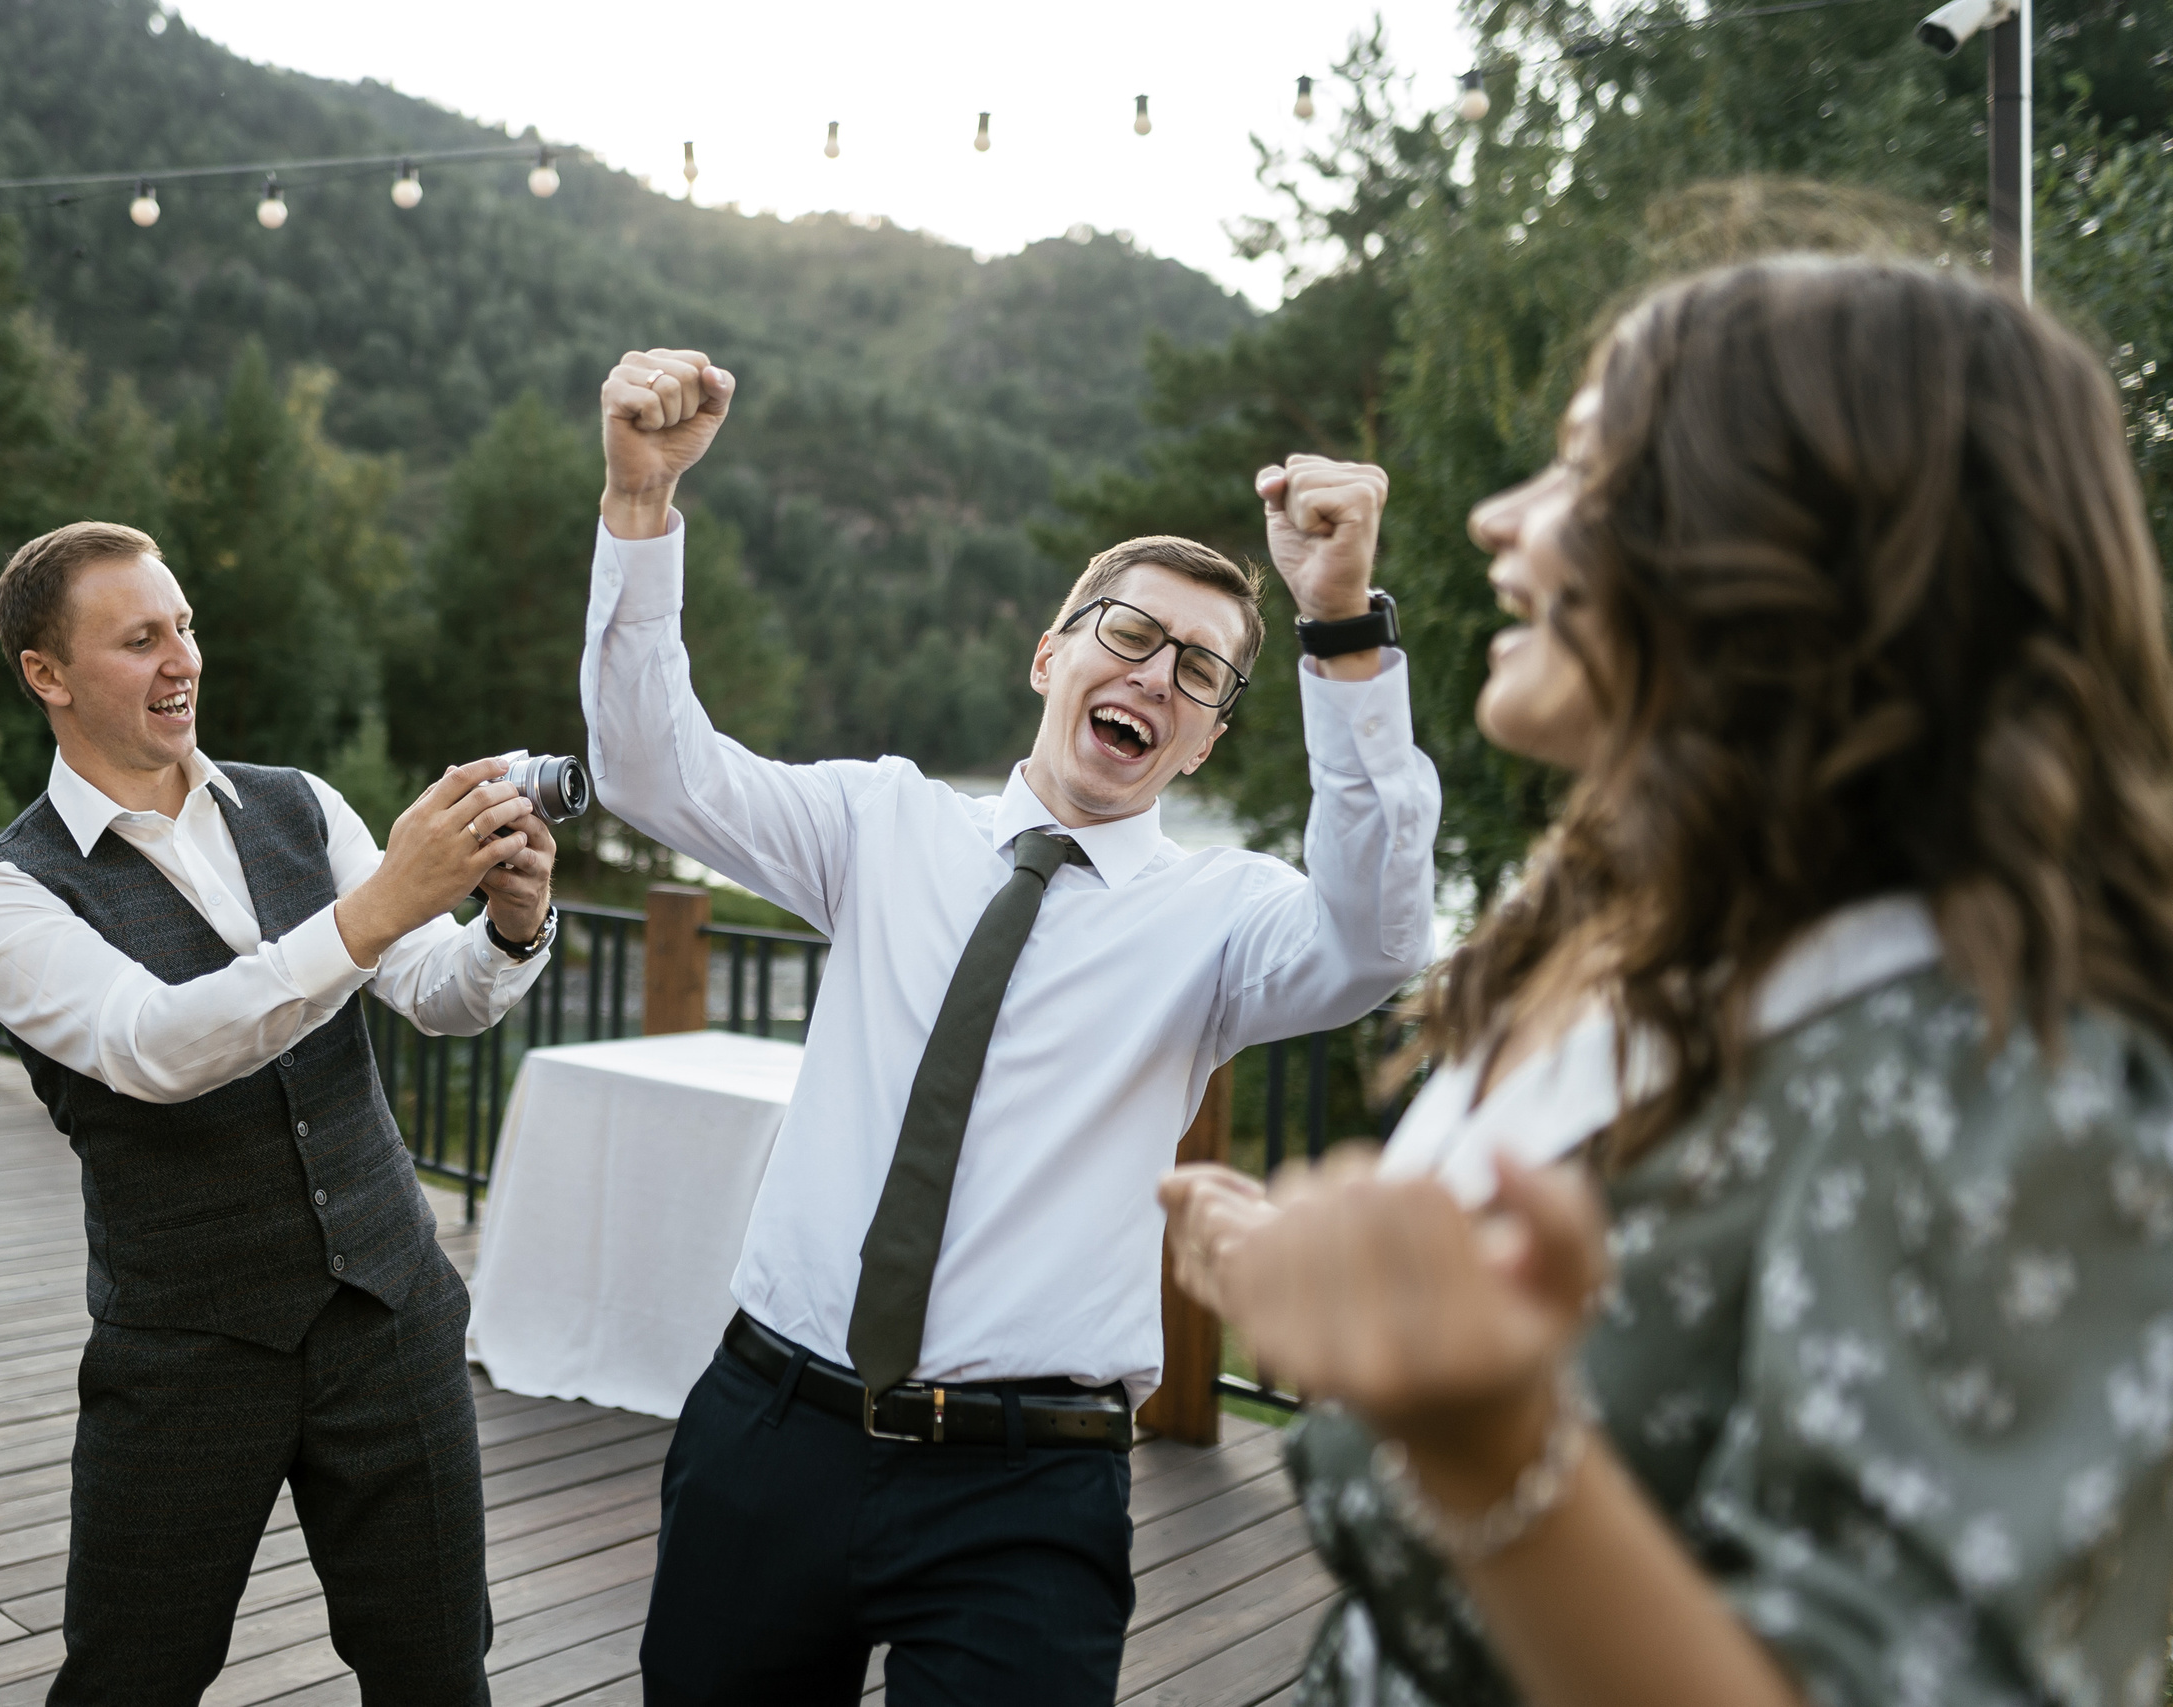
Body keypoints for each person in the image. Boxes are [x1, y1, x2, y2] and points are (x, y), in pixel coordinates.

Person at [1160, 256, 2173, 1707]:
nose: (1497, 517)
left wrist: (1499, 1446)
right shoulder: (1618, 938)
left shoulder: (2017, 1078)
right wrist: (1353, 1280)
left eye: (1589, 467)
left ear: (1806, 546)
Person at [582, 348, 1441, 1703]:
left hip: (1027, 1488)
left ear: (1207, 737)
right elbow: (648, 763)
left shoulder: (1227, 916)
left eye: (1202, 671)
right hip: (770, 1428)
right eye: (1130, 634)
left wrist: (1339, 623)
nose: (1158, 676)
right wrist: (641, 502)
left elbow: (1382, 936)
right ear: (1052, 652)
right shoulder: (882, 822)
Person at [0, 520, 563, 1706]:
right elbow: (156, 1048)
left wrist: (509, 927)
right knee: (134, 1674)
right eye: (139, 638)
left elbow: (436, 993)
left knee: (437, 1665)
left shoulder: (299, 805)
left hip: (392, 1313)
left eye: (184, 626)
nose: (182, 659)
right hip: (187, 1349)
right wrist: (379, 905)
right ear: (46, 675)